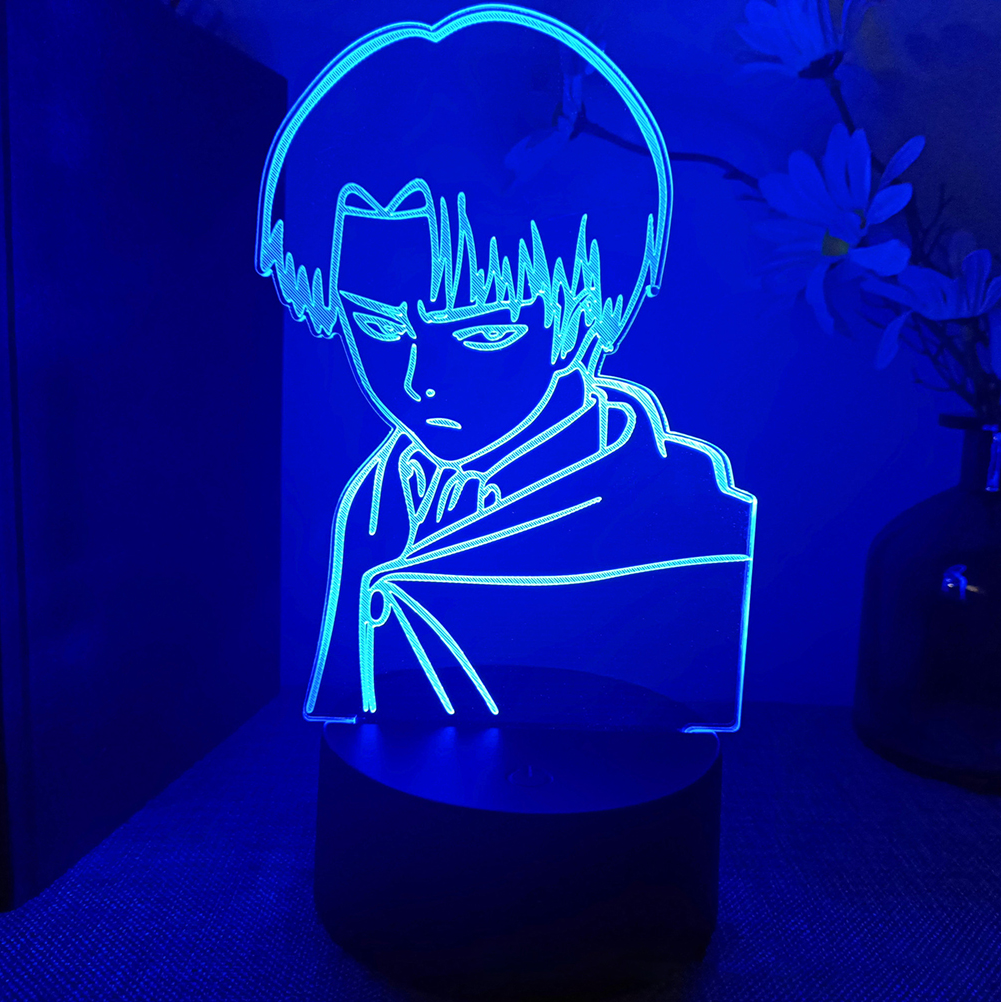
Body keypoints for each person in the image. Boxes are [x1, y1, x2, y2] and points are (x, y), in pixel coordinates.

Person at [256, 9, 756, 729]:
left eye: (484, 332)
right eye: (377, 325)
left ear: (583, 307)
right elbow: (344, 700)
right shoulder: (378, 499)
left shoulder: (683, 510)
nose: (418, 382)